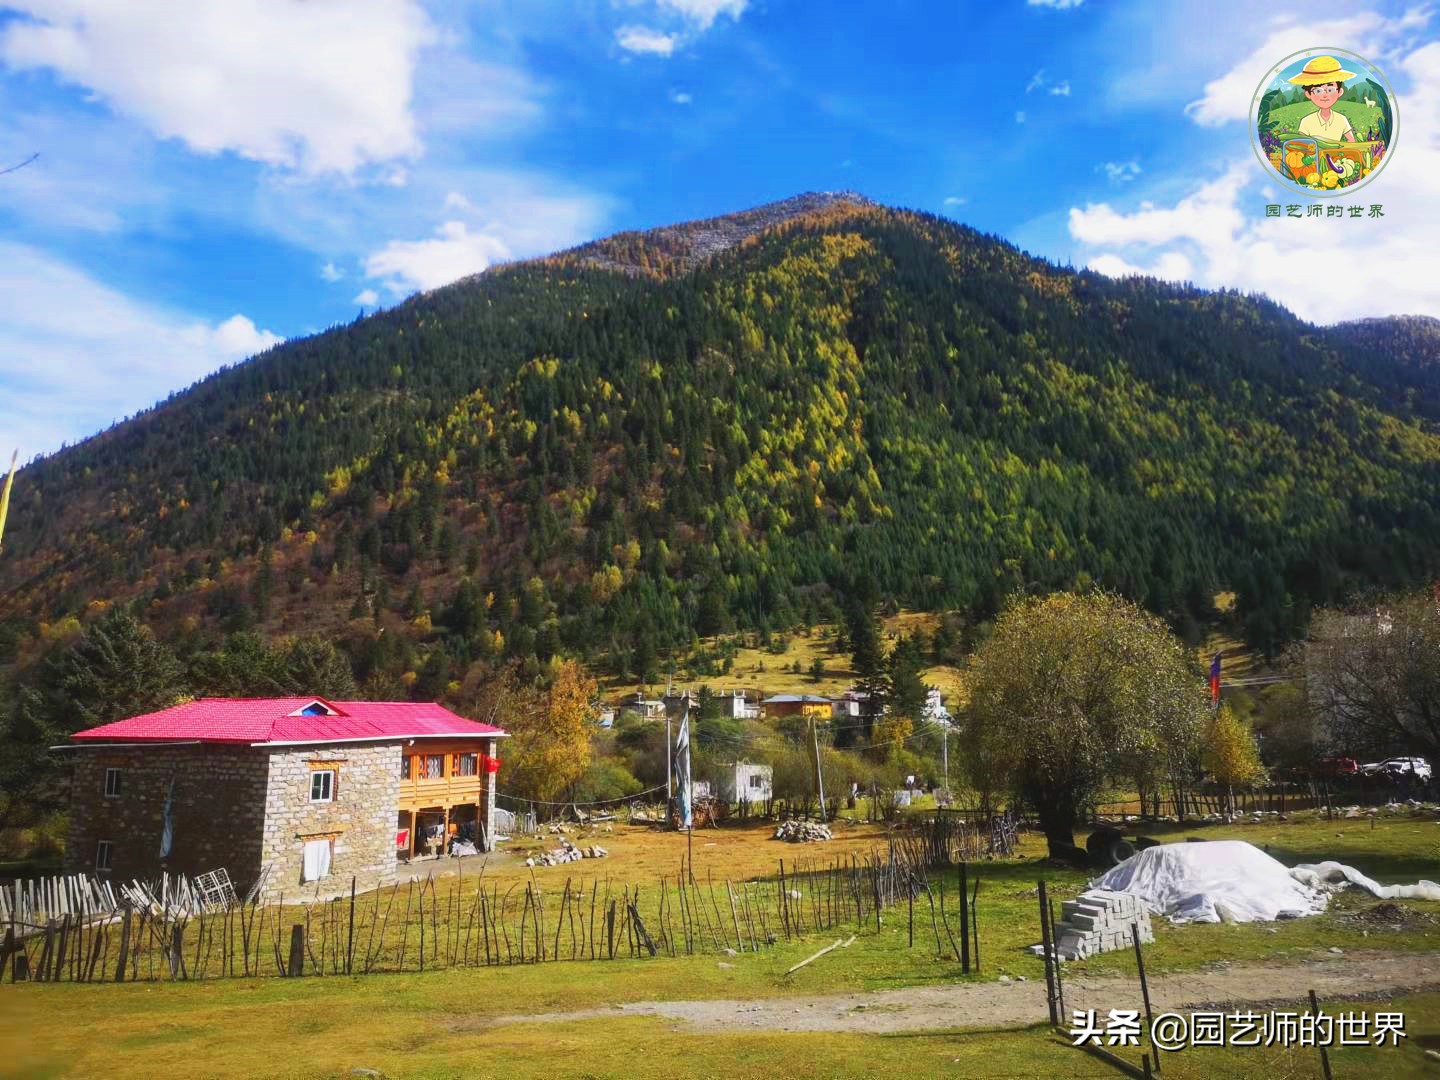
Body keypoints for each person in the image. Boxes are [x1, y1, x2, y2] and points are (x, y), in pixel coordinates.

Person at [1289, 55, 1357, 143]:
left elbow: (1351, 141)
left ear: (1339, 92)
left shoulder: (1341, 119)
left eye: (1330, 90)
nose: (1324, 95)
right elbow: (1302, 144)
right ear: (1308, 94)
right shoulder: (1306, 121)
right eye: (1318, 91)